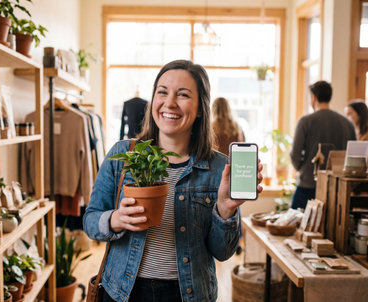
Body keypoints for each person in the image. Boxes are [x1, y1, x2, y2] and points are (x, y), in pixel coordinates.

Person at [84, 60, 263, 302]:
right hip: (123, 292)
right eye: (162, 92)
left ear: (200, 108)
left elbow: (223, 253)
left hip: (187, 295)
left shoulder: (219, 168)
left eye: (183, 95)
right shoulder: (124, 155)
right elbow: (91, 220)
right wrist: (116, 219)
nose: (169, 103)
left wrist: (226, 209)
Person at [290, 81, 356, 210]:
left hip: (308, 185)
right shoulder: (347, 123)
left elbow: (295, 155)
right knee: (333, 227)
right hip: (338, 187)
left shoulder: (305, 121)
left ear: (313, 97)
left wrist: (304, 169)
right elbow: (353, 155)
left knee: (298, 224)